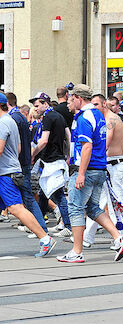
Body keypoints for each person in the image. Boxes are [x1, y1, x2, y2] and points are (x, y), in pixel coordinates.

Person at [57, 84, 123, 263]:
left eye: (72, 99)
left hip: (86, 169)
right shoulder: (98, 114)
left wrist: (80, 173)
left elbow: (87, 146)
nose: (69, 102)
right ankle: (118, 238)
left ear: (79, 99)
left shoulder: (84, 117)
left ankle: (77, 251)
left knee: (75, 208)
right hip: (99, 169)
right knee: (93, 208)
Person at [0, 92, 56, 257]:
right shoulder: (11, 121)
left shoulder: (2, 123)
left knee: (16, 207)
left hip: (5, 173)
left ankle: (45, 238)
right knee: (17, 206)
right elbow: (17, 149)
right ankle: (44, 237)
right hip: (11, 169)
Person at [29, 92, 72, 237]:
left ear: (45, 103)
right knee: (43, 195)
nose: (35, 109)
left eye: (37, 106)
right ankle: (40, 228)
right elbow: (68, 136)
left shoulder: (48, 117)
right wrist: (67, 155)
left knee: (58, 195)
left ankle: (68, 226)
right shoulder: (59, 116)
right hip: (56, 159)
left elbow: (44, 140)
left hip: (51, 161)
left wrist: (32, 154)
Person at [6, 92, 47, 234]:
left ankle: (41, 229)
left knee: (27, 197)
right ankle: (39, 227)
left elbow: (14, 145)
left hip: (18, 163)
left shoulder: (12, 119)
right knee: (25, 197)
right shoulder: (19, 118)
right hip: (23, 161)